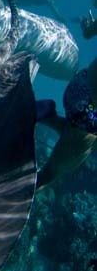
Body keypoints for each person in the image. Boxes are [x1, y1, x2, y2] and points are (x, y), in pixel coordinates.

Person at [36, 56, 97, 189]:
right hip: (89, 109)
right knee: (50, 173)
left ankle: (47, 114)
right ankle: (4, 203)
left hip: (81, 84)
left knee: (74, 135)